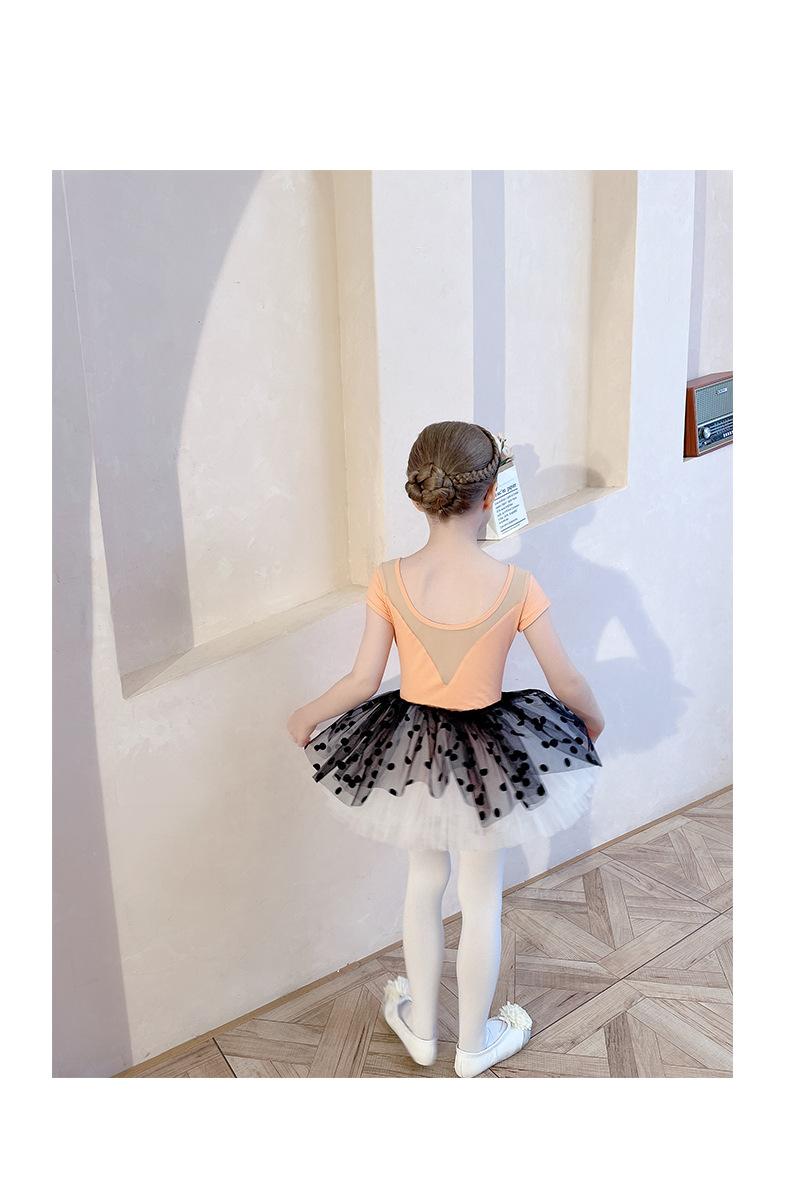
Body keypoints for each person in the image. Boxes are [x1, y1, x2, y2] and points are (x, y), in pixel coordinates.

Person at [287, 421, 605, 1077]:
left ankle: (424, 1031)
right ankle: (474, 1045)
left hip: (414, 752)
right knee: (481, 895)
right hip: (492, 756)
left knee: (425, 881)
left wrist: (307, 716)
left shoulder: (389, 578)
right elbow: (565, 678)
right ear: (490, 496)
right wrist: (590, 720)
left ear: (418, 494)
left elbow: (362, 681)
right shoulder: (516, 584)